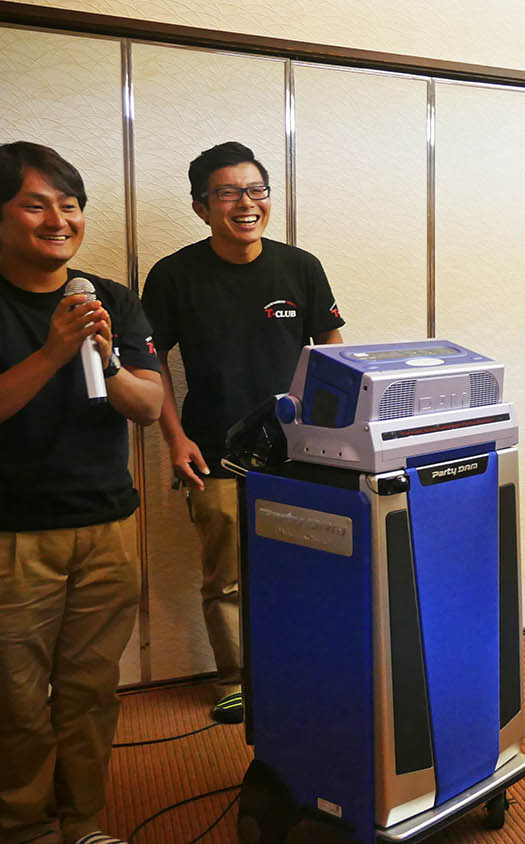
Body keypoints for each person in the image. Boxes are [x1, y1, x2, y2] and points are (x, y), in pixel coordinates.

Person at [141, 141, 344, 725]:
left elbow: (332, 351)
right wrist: (174, 440)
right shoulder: (174, 275)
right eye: (228, 193)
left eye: (256, 190)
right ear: (202, 207)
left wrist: (337, 436)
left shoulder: (300, 267)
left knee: (305, 565)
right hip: (213, 448)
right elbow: (151, 362)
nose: (246, 203)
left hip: (299, 451)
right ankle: (234, 679)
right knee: (226, 575)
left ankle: (297, 667)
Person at [0, 142, 163, 844]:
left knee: (91, 691)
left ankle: (82, 823)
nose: (57, 220)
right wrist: (53, 352)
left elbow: (148, 406)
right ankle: (25, 828)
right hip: (14, 534)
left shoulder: (109, 299)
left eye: (69, 206)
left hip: (107, 526)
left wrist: (107, 359)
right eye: (35, 205)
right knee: (15, 700)